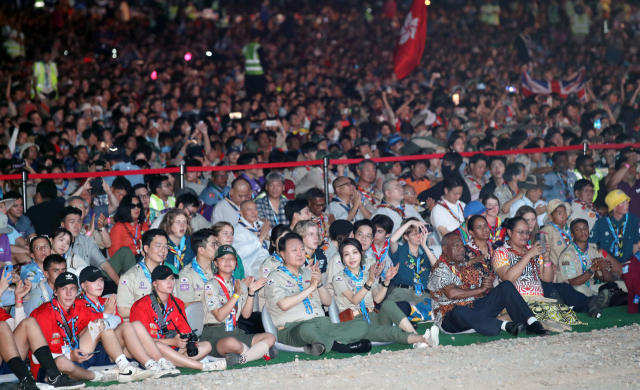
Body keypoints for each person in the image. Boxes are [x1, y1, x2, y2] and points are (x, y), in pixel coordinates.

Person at [30, 272, 154, 383]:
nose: (69, 293)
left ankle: (135, 366)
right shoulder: (44, 313)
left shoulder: (77, 308)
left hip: (78, 354)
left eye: (72, 289)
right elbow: (37, 358)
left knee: (105, 324)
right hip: (49, 366)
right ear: (55, 291)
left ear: (77, 291)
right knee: (63, 362)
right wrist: (70, 356)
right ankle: (104, 373)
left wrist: (105, 322)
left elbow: (112, 318)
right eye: (64, 289)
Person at [264, 233, 372, 356]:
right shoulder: (274, 277)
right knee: (306, 329)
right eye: (294, 250)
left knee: (362, 325)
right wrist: (310, 288)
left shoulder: (308, 273)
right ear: (282, 254)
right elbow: (284, 304)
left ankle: (318, 344)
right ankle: (341, 347)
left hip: (322, 324)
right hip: (294, 329)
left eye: (302, 249)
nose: (300, 254)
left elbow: (327, 302)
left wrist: (319, 284)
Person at [428, 232, 550, 336]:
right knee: (458, 310)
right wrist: (480, 289)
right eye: (456, 246)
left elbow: (483, 290)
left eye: (462, 245)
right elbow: (451, 293)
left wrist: (488, 285)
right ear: (445, 249)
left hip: (474, 308)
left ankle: (532, 323)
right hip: (450, 319)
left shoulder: (465, 266)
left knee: (506, 286)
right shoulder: (439, 269)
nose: (461, 248)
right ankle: (504, 325)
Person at [492, 217, 607, 326]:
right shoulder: (501, 252)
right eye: (520, 232)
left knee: (564, 314)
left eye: (527, 233)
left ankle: (521, 320)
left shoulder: (532, 250)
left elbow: (547, 278)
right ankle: (509, 319)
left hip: (538, 300)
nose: (525, 236)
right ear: (510, 232)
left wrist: (546, 257)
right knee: (546, 311)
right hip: (514, 301)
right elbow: (508, 278)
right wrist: (528, 255)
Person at [77, 266, 181, 379]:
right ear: (83, 286)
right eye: (94, 281)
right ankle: (126, 367)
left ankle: (154, 363)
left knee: (133, 324)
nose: (99, 284)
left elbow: (119, 321)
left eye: (101, 280)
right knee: (99, 324)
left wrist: (106, 320)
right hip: (88, 352)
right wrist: (105, 315)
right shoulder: (78, 303)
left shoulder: (106, 301)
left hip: (109, 348)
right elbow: (81, 332)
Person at [333, 238, 439, 348]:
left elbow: (378, 299)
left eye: (354, 252)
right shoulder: (339, 278)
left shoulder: (366, 275)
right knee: (390, 331)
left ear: (360, 254)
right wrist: (369, 282)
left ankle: (418, 339)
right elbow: (355, 300)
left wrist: (387, 281)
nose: (351, 257)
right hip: (355, 323)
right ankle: (423, 339)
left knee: (388, 304)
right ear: (342, 259)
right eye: (346, 254)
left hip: (373, 316)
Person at [129, 265, 226, 372]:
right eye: (164, 279)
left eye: (171, 278)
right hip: (150, 352)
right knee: (158, 345)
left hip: (173, 350)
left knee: (206, 346)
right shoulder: (142, 305)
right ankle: (201, 366)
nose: (170, 282)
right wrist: (171, 341)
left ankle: (174, 363)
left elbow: (184, 330)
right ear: (154, 283)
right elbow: (141, 341)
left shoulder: (178, 303)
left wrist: (188, 341)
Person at [0, 277, 84, 390]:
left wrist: (18, 300)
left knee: (28, 323)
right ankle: (26, 379)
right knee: (1, 326)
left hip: (12, 363)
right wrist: (0, 290)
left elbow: (18, 333)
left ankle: (53, 376)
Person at [199, 244, 278, 366]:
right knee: (231, 343)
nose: (228, 261)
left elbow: (246, 315)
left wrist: (251, 292)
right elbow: (219, 316)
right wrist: (236, 295)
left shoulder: (240, 285)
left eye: (231, 258)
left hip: (235, 331)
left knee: (270, 337)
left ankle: (242, 358)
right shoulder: (211, 285)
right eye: (223, 258)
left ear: (236, 262)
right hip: (215, 332)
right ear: (215, 263)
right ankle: (258, 353)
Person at [60, 207, 128, 293]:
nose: (77, 226)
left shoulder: (86, 240)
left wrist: (122, 287)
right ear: (62, 224)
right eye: (72, 222)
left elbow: (104, 264)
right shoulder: (56, 242)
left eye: (79, 222)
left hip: (87, 287)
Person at [557, 219, 626, 297]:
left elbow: (609, 280)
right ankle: (602, 297)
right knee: (579, 289)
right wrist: (594, 267)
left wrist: (603, 267)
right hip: (571, 290)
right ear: (572, 234)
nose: (583, 231)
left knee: (622, 284)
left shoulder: (593, 250)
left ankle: (600, 298)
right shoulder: (567, 255)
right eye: (578, 229)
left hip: (590, 288)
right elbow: (573, 283)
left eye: (585, 228)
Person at [117, 229, 170, 319]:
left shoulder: (168, 275)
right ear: (146, 248)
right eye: (158, 246)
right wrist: (150, 310)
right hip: (139, 327)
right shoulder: (130, 277)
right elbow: (122, 311)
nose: (163, 250)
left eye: (165, 247)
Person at [388, 219, 438, 303]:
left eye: (420, 233)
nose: (419, 236)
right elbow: (392, 240)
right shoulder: (400, 251)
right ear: (406, 237)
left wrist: (424, 246)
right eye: (415, 234)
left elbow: (437, 266)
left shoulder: (426, 252)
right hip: (403, 293)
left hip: (424, 294)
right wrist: (410, 222)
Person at [589, 190, 640, 264]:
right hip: (608, 264)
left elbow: (636, 245)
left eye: (626, 201)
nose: (627, 204)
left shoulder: (634, 220)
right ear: (614, 207)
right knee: (601, 252)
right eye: (623, 202)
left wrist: (635, 265)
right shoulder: (601, 223)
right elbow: (591, 245)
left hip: (628, 262)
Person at [233, 201, 270, 278]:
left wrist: (269, 238)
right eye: (249, 210)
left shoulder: (261, 225)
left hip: (267, 258)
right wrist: (260, 239)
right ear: (241, 213)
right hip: (251, 264)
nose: (254, 212)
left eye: (255, 209)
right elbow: (242, 252)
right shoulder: (236, 230)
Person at [605, 147, 640, 218]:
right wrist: (627, 164)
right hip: (622, 226)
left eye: (633, 165)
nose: (630, 167)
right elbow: (611, 183)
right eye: (626, 166)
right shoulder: (618, 186)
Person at [431, 176, 466, 240]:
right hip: (451, 244)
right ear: (446, 190)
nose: (458, 197)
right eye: (455, 194)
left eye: (460, 194)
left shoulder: (462, 205)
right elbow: (443, 232)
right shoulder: (437, 209)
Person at [540, 199, 572, 268]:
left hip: (573, 265)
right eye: (559, 213)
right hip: (557, 269)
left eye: (565, 212)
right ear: (550, 217)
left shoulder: (571, 226)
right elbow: (541, 253)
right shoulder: (546, 231)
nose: (563, 215)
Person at [243, 29, 267, 97]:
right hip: (258, 74)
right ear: (258, 37)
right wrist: (266, 72)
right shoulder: (258, 47)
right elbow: (262, 61)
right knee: (259, 94)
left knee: (250, 95)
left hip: (248, 75)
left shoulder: (246, 47)